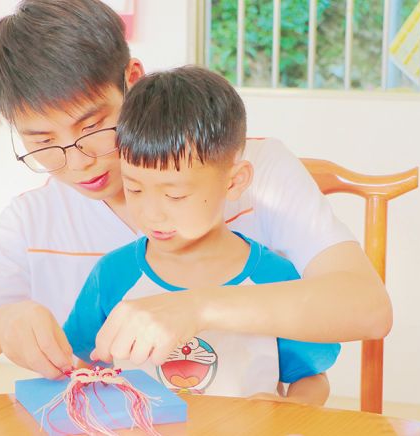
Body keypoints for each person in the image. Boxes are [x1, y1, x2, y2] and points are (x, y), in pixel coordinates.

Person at [0, 0, 390, 394]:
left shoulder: (256, 170)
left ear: (132, 79)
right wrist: (0, 326)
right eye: (43, 142)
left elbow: (368, 308)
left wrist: (196, 308)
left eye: (93, 126)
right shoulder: (34, 220)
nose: (79, 161)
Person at [63, 66, 339, 404]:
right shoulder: (112, 275)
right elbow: (85, 366)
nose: (151, 214)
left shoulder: (274, 280)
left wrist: (290, 410)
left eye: (175, 195)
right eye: (134, 189)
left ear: (234, 182)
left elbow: (311, 379)